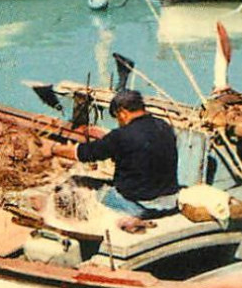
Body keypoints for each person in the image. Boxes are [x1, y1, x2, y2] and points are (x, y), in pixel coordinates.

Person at [52, 89, 179, 229]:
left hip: (139, 206)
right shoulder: (165, 127)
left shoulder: (121, 135)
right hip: (169, 202)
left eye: (117, 118)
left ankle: (116, 220)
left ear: (122, 112)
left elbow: (85, 153)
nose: (119, 123)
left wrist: (53, 149)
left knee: (73, 185)